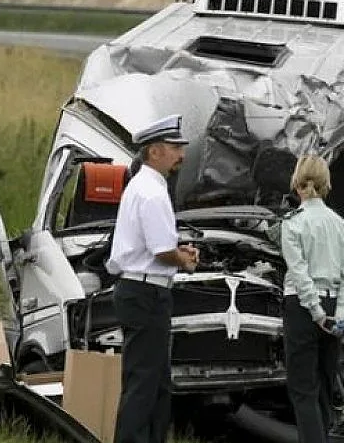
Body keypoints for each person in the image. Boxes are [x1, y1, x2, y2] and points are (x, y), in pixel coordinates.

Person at [106, 114, 198, 443]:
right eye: (175, 148)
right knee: (144, 384)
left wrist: (175, 252)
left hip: (143, 290)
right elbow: (161, 252)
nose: (182, 156)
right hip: (146, 292)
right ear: (155, 151)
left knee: (156, 384)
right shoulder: (153, 192)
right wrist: (184, 260)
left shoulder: (143, 186)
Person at [280, 155, 344, 443]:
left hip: (303, 308)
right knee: (325, 387)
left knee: (303, 390)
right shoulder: (342, 226)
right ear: (326, 185)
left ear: (298, 184)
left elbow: (299, 274)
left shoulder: (293, 224)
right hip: (335, 307)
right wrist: (341, 315)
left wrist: (315, 312)